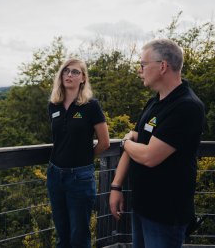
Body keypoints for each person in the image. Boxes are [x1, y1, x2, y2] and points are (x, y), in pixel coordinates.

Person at [109, 39, 205, 248]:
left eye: (143, 64)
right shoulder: (155, 101)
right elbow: (137, 138)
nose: (139, 70)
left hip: (166, 214)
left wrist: (125, 142)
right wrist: (116, 186)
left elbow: (149, 156)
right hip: (143, 206)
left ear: (163, 66)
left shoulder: (186, 106)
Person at [47, 58, 110, 248]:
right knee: (62, 234)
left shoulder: (91, 106)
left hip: (80, 178)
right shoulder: (53, 105)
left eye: (75, 72)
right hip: (55, 175)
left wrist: (85, 158)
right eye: (66, 71)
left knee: (79, 235)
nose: (69, 75)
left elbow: (105, 142)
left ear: (83, 78)